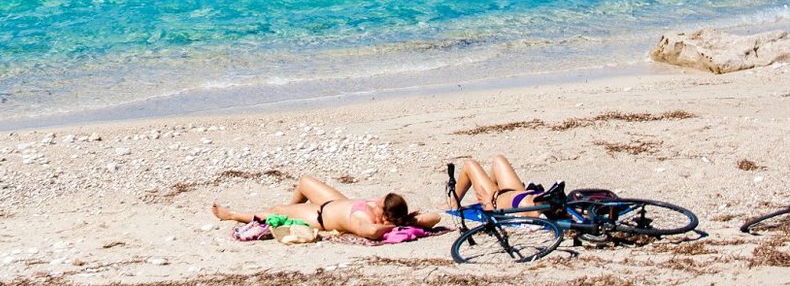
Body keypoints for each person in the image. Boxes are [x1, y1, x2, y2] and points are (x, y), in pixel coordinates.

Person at [212, 175, 441, 241]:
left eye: (379, 205)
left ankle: (231, 214)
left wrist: (388, 227)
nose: (376, 201)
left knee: (276, 211)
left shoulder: (365, 219)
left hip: (319, 216)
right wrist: (404, 221)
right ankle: (288, 212)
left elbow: (369, 232)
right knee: (304, 182)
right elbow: (435, 217)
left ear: (386, 215)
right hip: (335, 202)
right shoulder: (378, 211)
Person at [449, 155, 545, 214]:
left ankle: (454, 202)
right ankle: (490, 186)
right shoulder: (546, 204)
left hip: (495, 201)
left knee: (469, 165)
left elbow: (493, 217)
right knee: (499, 159)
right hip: (518, 192)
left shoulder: (533, 212)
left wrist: (487, 203)